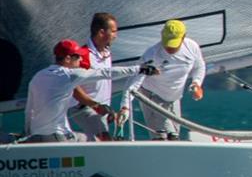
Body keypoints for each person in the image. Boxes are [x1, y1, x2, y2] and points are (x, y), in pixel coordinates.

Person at [23, 39, 159, 143]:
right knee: (94, 142)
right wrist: (140, 69)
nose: (81, 59)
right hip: (58, 137)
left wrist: (27, 134)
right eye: (78, 56)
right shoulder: (70, 75)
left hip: (36, 137)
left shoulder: (37, 76)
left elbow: (29, 110)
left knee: (83, 138)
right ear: (68, 58)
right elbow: (106, 73)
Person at [126, 19, 205, 140]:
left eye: (173, 43)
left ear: (183, 37)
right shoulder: (152, 53)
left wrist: (196, 83)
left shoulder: (192, 47)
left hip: (174, 98)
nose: (169, 47)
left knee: (174, 136)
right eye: (167, 42)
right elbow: (136, 78)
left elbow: (199, 66)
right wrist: (125, 106)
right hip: (152, 96)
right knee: (164, 137)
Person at [67, 13, 118, 141]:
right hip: (83, 108)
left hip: (100, 109)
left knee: (101, 142)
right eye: (113, 31)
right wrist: (96, 106)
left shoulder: (107, 53)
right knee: (104, 140)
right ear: (101, 32)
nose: (115, 35)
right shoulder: (82, 55)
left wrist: (106, 110)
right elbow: (72, 86)